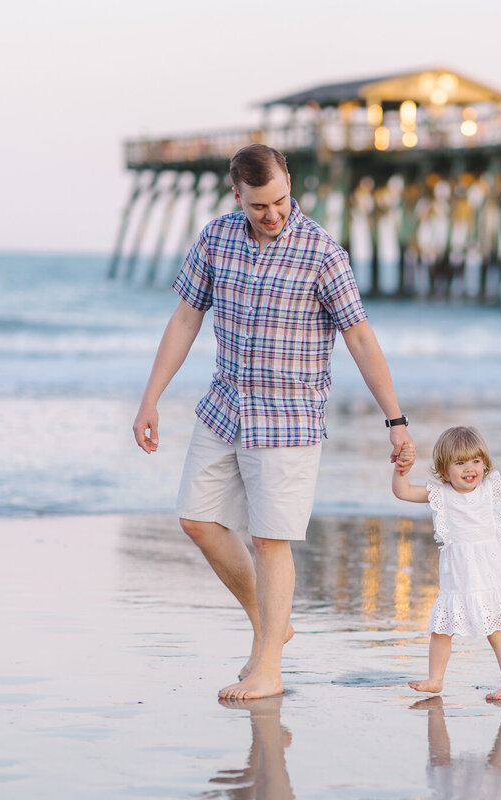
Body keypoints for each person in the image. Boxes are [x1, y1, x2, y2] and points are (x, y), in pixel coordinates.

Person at [132, 143, 414, 700]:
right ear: (236, 195)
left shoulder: (321, 252)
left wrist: (396, 421)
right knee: (196, 519)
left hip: (288, 419)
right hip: (224, 408)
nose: (273, 213)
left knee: (270, 541)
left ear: (290, 183)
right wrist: (150, 399)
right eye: (259, 205)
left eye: (281, 200)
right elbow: (186, 318)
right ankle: (272, 624)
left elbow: (360, 336)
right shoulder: (215, 238)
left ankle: (269, 666)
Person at [392, 426, 501, 701]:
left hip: (489, 574)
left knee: (497, 631)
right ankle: (435, 679)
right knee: (441, 629)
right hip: (458, 577)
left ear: (485, 463)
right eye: (460, 463)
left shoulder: (490, 489)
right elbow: (402, 492)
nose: (469, 468)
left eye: (476, 461)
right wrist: (401, 469)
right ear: (444, 468)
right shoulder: (441, 494)